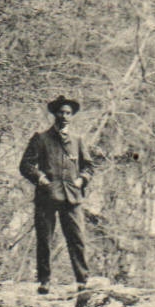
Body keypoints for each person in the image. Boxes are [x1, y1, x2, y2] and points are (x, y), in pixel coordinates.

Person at [19, 95, 95, 289]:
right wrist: (40, 178)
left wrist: (80, 180)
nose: (65, 116)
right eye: (61, 112)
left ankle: (82, 280)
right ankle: (44, 281)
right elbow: (26, 164)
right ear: (54, 114)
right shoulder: (41, 139)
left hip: (72, 196)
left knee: (77, 239)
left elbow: (89, 167)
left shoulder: (78, 141)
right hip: (48, 196)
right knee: (45, 239)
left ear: (72, 116)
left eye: (68, 113)